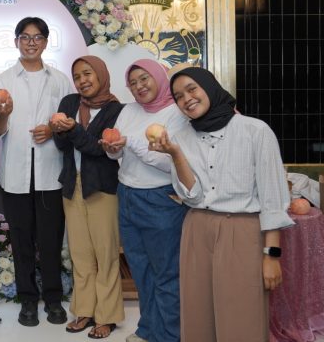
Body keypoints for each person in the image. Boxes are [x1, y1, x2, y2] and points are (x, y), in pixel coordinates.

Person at [150, 67, 293, 342]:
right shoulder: (180, 138)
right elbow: (192, 197)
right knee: (198, 315)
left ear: (209, 86)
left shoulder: (255, 131)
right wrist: (176, 155)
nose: (187, 99)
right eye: (178, 96)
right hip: (196, 229)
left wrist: (272, 255)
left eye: (192, 89)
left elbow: (273, 199)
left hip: (242, 231)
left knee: (243, 316)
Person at [0, 17, 72, 327]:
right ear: (16, 42)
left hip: (51, 172)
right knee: (21, 242)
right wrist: (3, 114)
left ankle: (53, 299)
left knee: (50, 241)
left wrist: (52, 129)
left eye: (37, 37)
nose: (31, 42)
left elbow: (69, 123)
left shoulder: (60, 80)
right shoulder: (3, 81)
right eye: (25, 37)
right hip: (15, 175)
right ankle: (27, 300)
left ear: (46, 42)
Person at [100, 59, 189, 342]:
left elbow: (170, 162)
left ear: (159, 78)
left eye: (144, 79)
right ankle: (149, 329)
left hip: (161, 199)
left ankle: (171, 335)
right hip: (127, 195)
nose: (139, 86)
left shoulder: (176, 113)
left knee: (166, 273)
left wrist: (130, 142)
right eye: (133, 82)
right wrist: (112, 148)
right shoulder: (128, 110)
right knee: (140, 270)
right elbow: (117, 155)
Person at [50, 55, 124, 339]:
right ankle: (84, 310)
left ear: (101, 74)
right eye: (77, 76)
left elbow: (99, 149)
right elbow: (62, 146)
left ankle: (107, 316)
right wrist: (59, 130)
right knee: (80, 253)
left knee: (105, 254)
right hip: (72, 185)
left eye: (88, 74)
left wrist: (73, 130)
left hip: (102, 188)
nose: (82, 81)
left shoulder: (116, 110)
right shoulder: (69, 102)